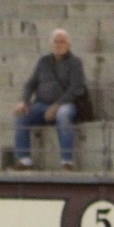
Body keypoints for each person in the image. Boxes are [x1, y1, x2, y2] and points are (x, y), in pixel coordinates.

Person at [12, 29, 87, 169]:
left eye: (62, 42)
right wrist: (23, 101)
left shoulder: (75, 62)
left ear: (68, 45)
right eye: (56, 42)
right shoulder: (43, 61)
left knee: (63, 115)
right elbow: (31, 84)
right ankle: (24, 160)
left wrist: (56, 106)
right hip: (41, 104)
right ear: (51, 44)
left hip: (65, 104)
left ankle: (67, 162)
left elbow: (76, 88)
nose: (59, 45)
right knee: (20, 115)